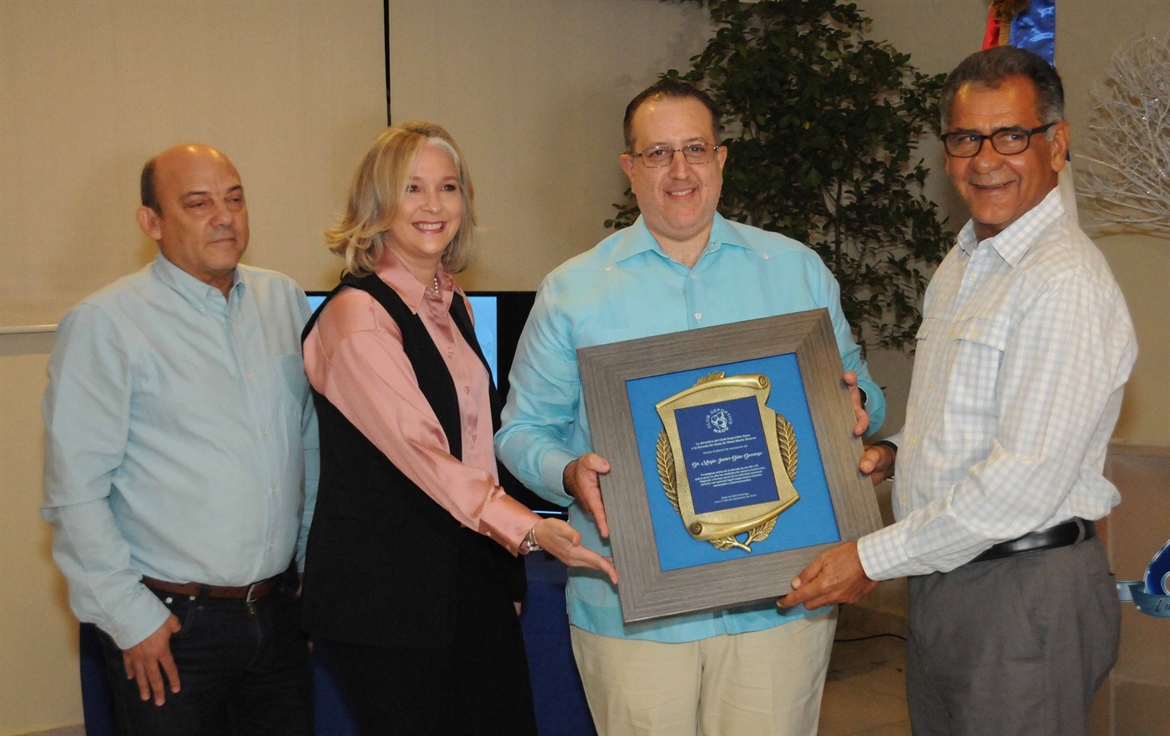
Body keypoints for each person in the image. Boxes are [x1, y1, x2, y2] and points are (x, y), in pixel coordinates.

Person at [494, 79, 885, 736]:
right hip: (631, 609)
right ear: (630, 168)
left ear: (722, 159)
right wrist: (567, 472)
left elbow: (863, 392)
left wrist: (854, 406)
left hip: (781, 600)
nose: (680, 170)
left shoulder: (796, 271)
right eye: (657, 153)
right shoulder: (574, 291)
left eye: (695, 149)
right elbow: (523, 431)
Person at [782, 46, 1137, 736]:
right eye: (965, 138)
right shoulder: (967, 260)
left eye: (1011, 135)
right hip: (952, 579)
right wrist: (893, 454)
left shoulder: (1061, 282)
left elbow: (1019, 483)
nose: (985, 159)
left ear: (1056, 144)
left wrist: (868, 558)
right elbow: (960, 421)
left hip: (1024, 593)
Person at [300, 121, 618, 735]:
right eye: (412, 188)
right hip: (385, 602)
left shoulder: (455, 304)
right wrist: (529, 531)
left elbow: (475, 448)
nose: (433, 205)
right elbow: (423, 455)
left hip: (464, 585)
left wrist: (499, 573)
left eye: (448, 187)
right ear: (377, 203)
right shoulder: (357, 316)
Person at [42, 144, 318, 735]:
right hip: (170, 626)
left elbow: (309, 445)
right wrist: (128, 616)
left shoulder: (284, 301)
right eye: (198, 203)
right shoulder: (107, 324)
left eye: (235, 198)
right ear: (152, 222)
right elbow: (75, 493)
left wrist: (313, 572)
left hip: (278, 615)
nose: (224, 216)